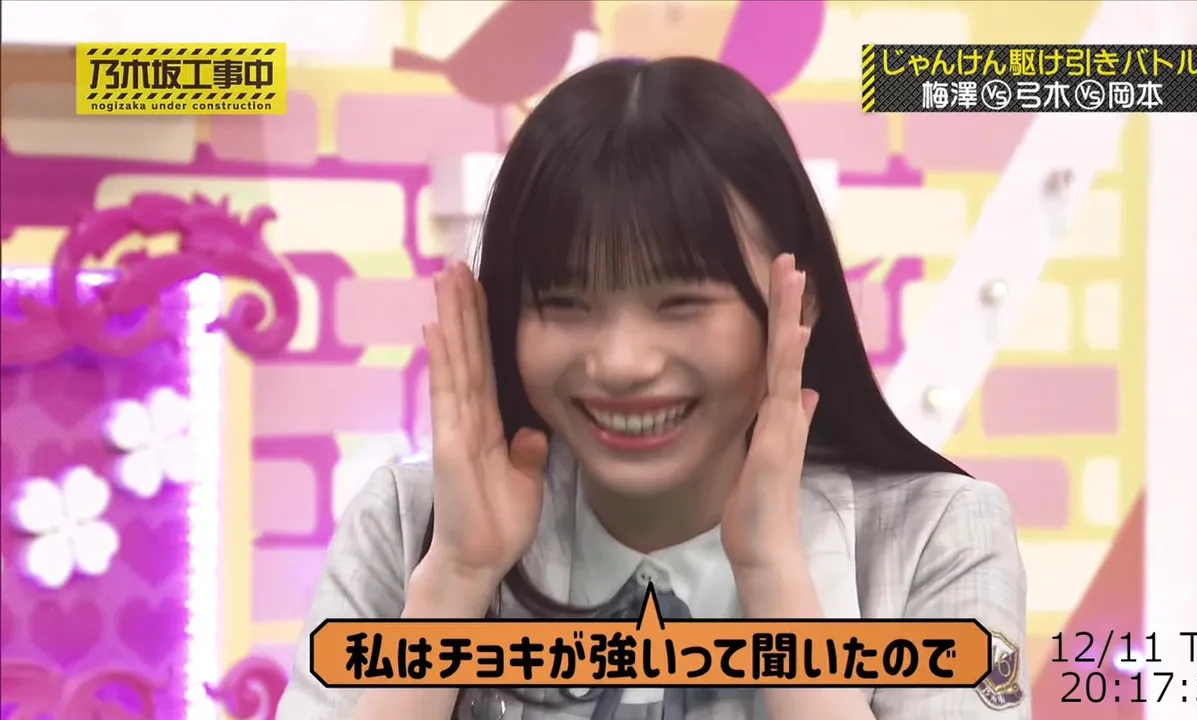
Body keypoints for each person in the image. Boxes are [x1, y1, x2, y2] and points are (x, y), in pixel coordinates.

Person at [276, 56, 1029, 720]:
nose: (622, 363)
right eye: (565, 303)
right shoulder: (411, 527)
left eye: (681, 303)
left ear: (798, 306)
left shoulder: (935, 536)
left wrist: (775, 578)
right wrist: (455, 581)